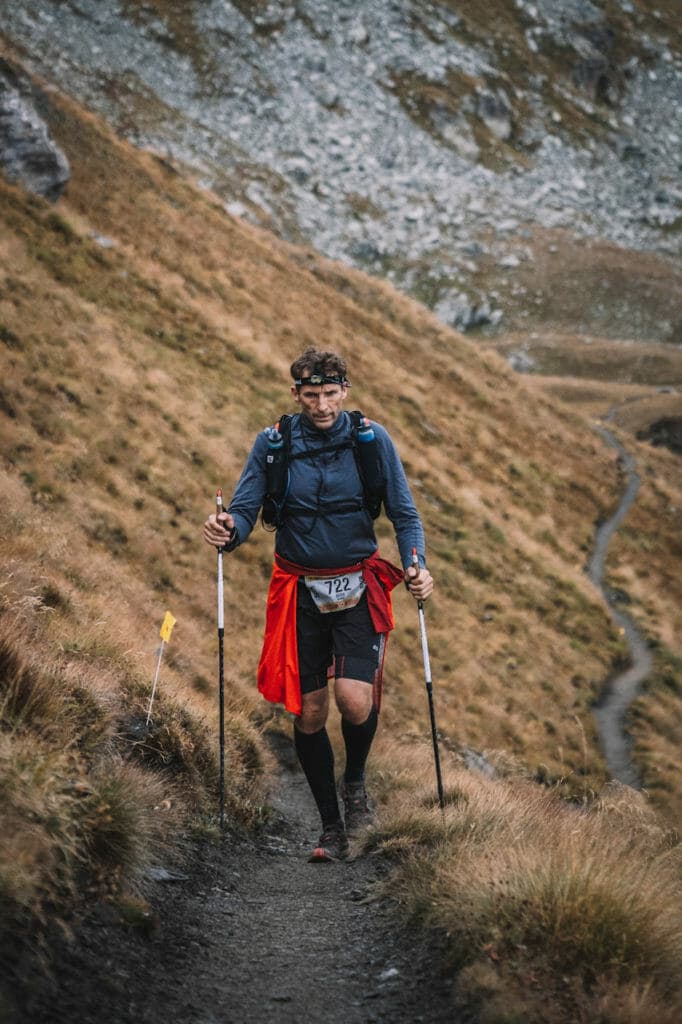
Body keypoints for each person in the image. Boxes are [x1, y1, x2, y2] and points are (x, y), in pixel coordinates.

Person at [203, 348, 433, 862]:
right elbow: (243, 511)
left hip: (357, 585)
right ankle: (331, 828)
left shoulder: (373, 442)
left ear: (346, 390)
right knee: (308, 713)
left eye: (331, 394)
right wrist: (227, 530)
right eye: (311, 395)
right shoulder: (274, 444)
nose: (322, 405)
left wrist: (415, 564)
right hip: (298, 591)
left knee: (355, 700)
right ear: (296, 395)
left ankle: (355, 784)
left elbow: (404, 513)